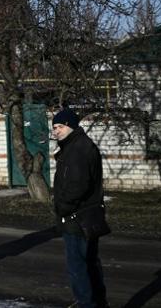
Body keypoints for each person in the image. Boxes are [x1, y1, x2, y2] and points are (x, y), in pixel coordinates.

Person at [52, 106, 108, 308]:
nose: (55, 131)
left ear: (70, 126)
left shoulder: (78, 149)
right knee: (90, 263)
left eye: (58, 127)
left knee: (78, 266)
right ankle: (98, 302)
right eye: (54, 128)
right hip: (85, 215)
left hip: (78, 217)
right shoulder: (76, 146)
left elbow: (78, 185)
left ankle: (87, 304)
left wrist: (64, 207)